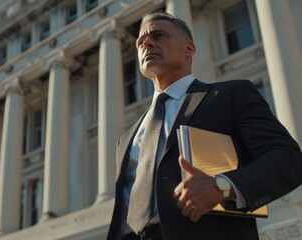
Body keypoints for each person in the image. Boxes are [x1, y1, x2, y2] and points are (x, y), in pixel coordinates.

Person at [106, 10, 302, 240]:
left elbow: (289, 159)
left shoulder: (230, 95)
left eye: (158, 36)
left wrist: (223, 187)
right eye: (141, 41)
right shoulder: (127, 138)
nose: (146, 43)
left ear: (189, 49)